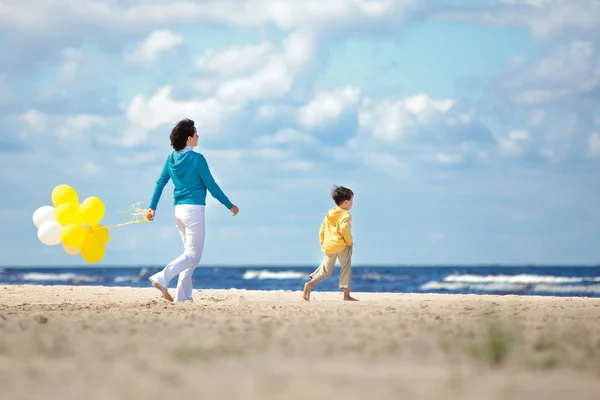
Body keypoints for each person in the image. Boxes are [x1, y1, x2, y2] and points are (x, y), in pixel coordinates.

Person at [146, 118, 239, 303]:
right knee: (192, 255)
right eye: (196, 133)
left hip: (178, 211)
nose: (198, 136)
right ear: (189, 138)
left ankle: (183, 297)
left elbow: (160, 183)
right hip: (194, 210)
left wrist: (152, 207)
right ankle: (162, 278)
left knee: (190, 256)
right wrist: (230, 205)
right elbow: (211, 186)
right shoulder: (197, 158)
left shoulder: (171, 158)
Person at [303, 186, 357, 302]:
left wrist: (323, 242)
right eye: (352, 201)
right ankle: (346, 296)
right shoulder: (346, 215)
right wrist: (349, 242)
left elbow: (322, 229)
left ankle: (310, 284)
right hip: (342, 245)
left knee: (326, 271)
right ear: (346, 202)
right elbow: (344, 229)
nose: (352, 203)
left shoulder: (330, 213)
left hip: (329, 245)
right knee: (345, 268)